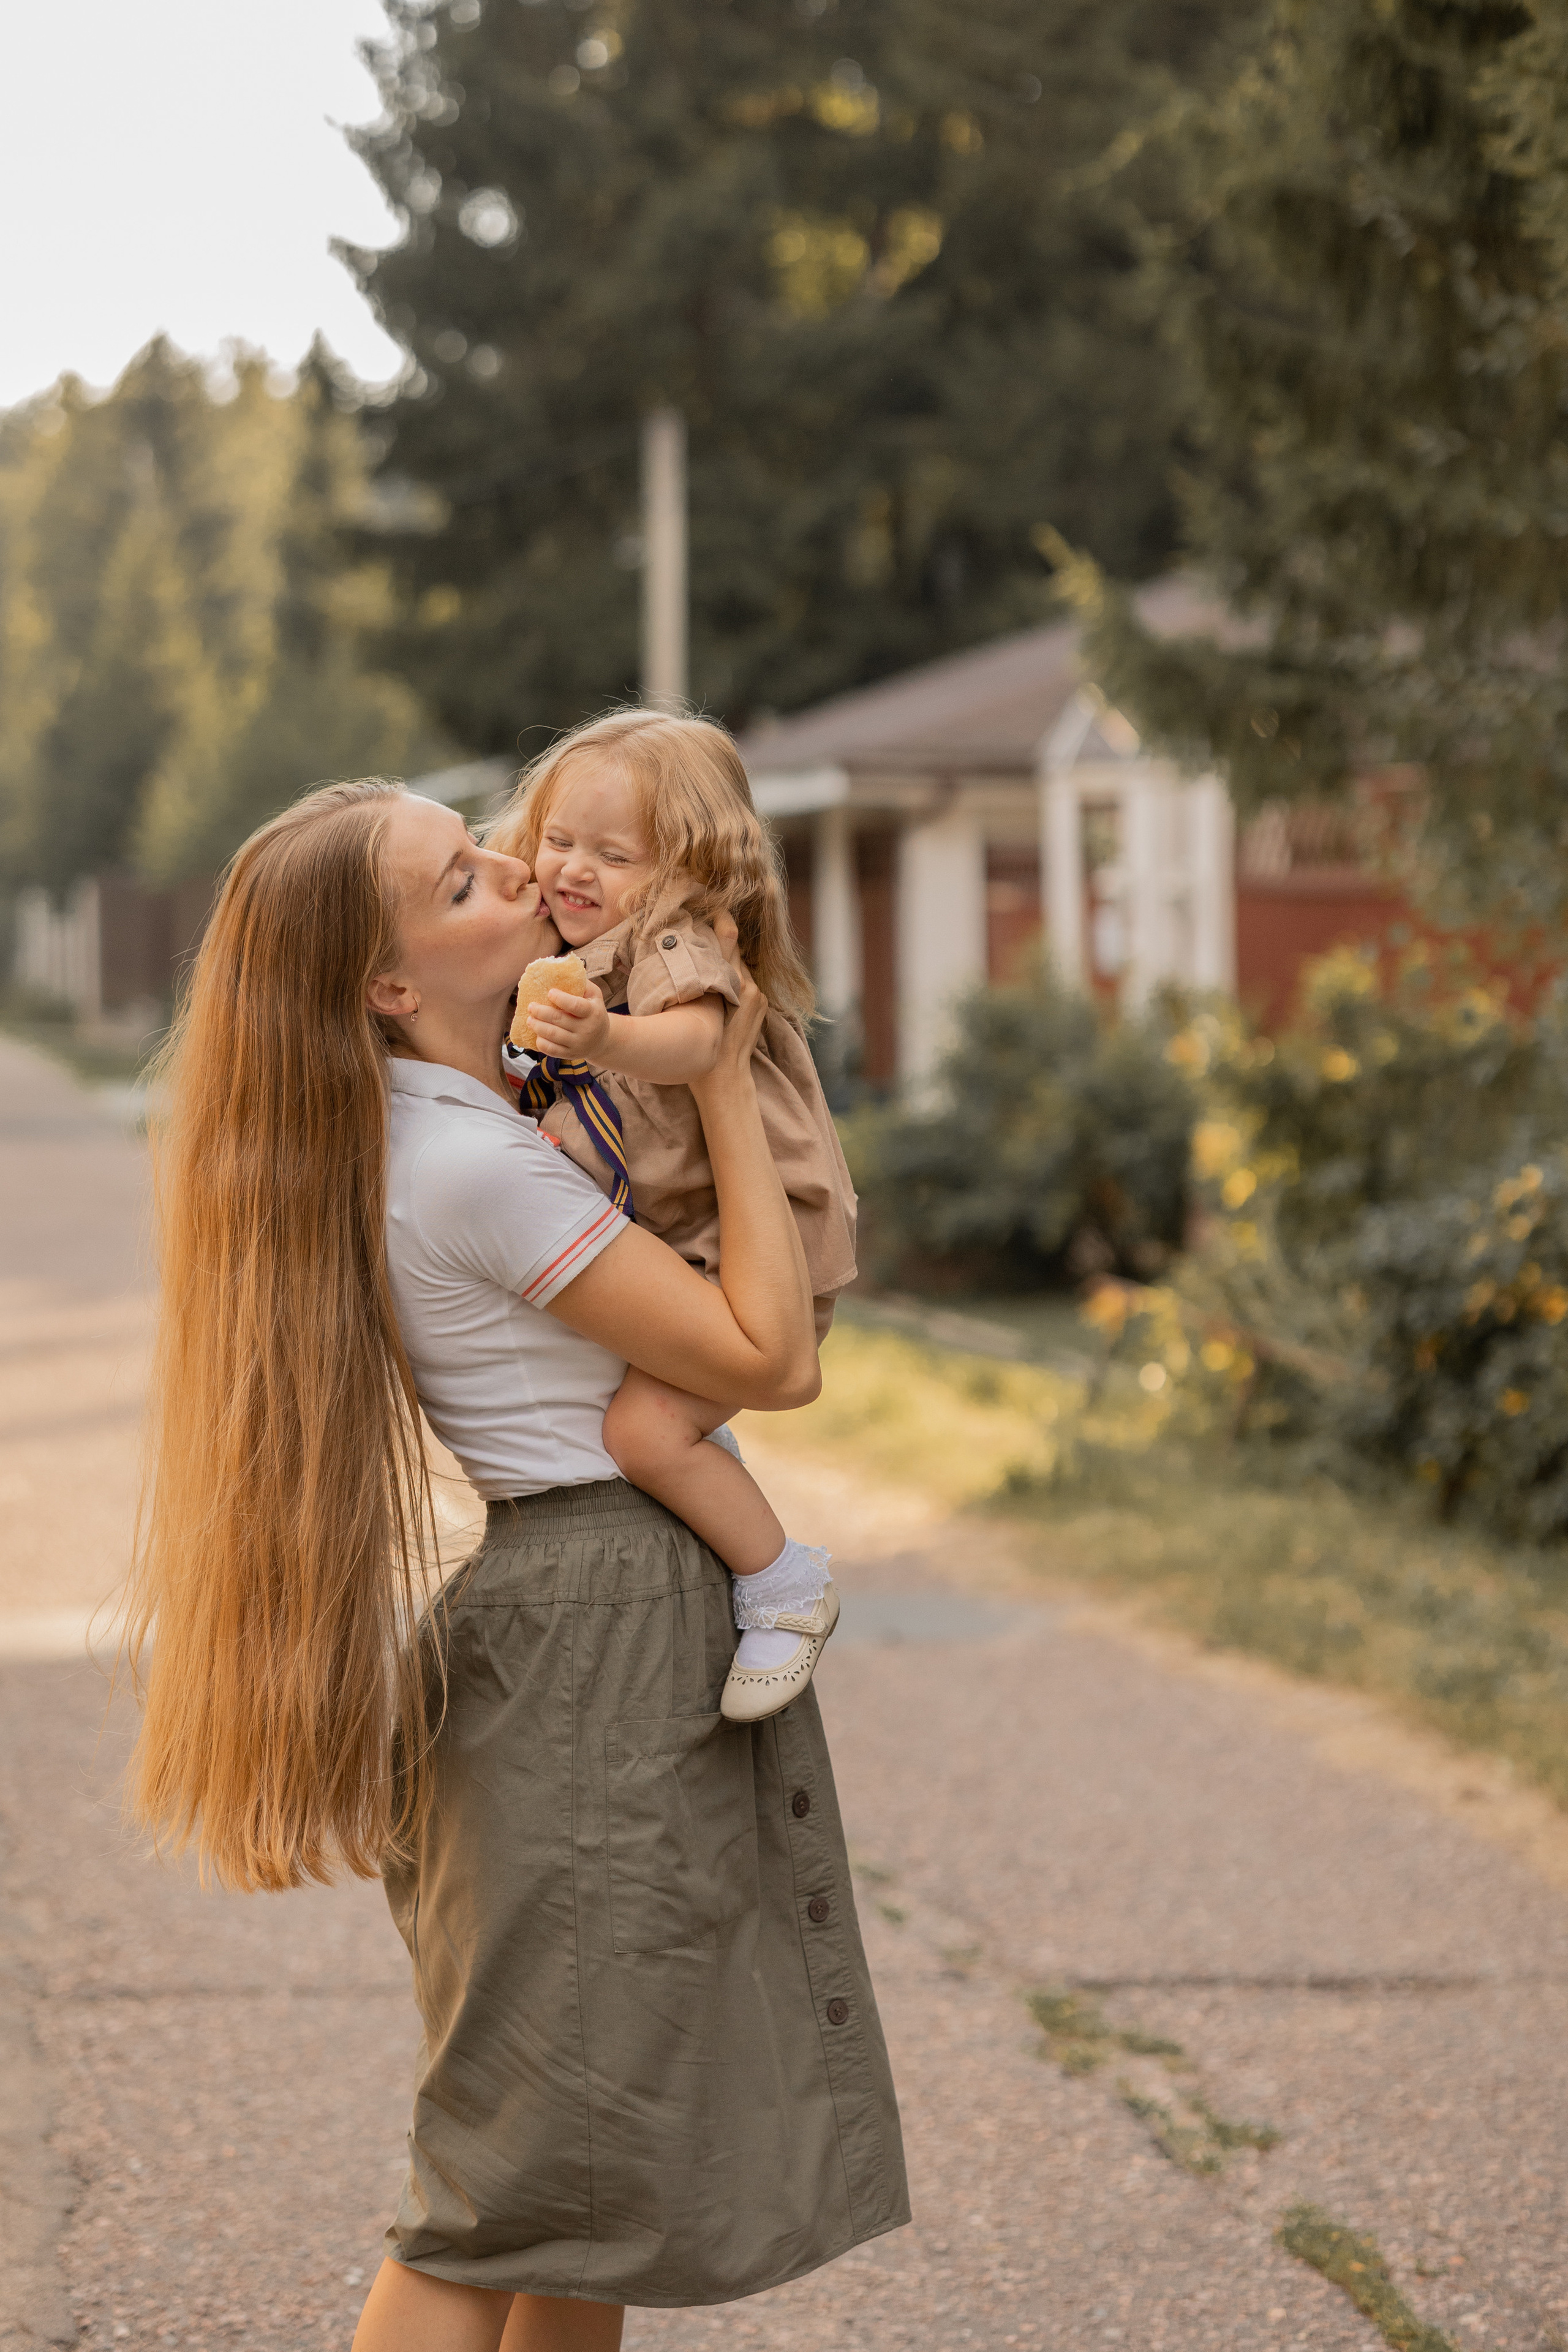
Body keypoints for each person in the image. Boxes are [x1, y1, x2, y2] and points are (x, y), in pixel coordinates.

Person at [124, 778, 908, 2352]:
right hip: (595, 1625)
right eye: (463, 879)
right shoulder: (473, 1168)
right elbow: (769, 1351)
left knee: (585, 2186)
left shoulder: (475, 1130)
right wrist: (742, 1067)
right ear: (391, 986)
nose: (517, 868)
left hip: (594, 1610)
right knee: (502, 2192)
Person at [488, 710, 857, 1722]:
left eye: (614, 854)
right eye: (560, 840)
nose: (574, 869)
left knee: (643, 1432)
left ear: (687, 871)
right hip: (687, 1243)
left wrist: (605, 1032)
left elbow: (700, 1047)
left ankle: (787, 1583)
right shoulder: (568, 952)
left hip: (758, 1241)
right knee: (637, 1410)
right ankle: (720, 1493)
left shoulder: (668, 941)